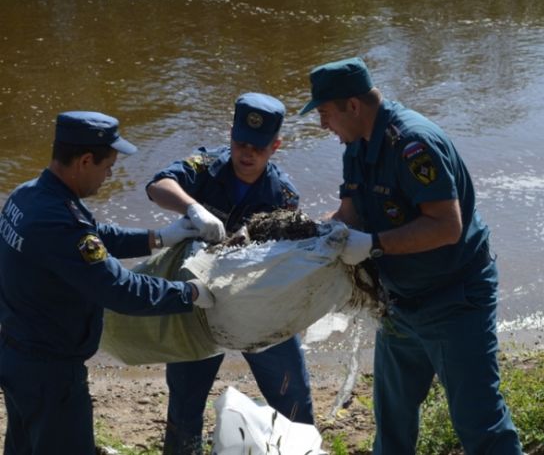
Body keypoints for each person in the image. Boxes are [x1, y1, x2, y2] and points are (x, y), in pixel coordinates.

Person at [299, 58, 523, 454]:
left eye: (325, 113)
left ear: (353, 105)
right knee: (392, 423)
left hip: (455, 299)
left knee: (480, 423)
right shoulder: (356, 146)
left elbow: (446, 225)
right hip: (400, 303)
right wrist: (309, 238)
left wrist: (372, 245)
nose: (322, 125)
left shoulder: (412, 144)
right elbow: (348, 216)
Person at [0, 111, 215, 455]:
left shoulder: (28, 197)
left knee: (24, 447)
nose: (110, 175)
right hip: (51, 373)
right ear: (85, 161)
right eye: (108, 166)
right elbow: (121, 290)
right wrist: (189, 293)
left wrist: (157, 238)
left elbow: (94, 237)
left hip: (17, 352)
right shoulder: (61, 221)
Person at [146, 92, 314, 455]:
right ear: (231, 135)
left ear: (276, 146)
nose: (246, 153)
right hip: (197, 304)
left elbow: (288, 263)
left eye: (258, 146)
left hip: (258, 308)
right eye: (240, 142)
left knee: (293, 396)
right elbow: (157, 186)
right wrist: (192, 208)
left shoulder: (283, 194)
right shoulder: (205, 166)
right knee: (185, 402)